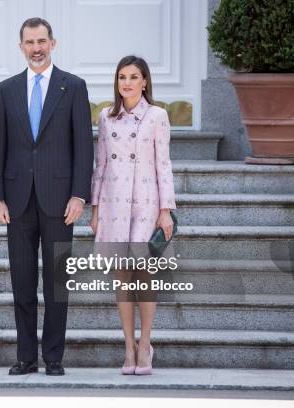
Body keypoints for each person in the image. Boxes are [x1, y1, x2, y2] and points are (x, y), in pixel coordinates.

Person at [0, 17, 94, 376]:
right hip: (17, 202)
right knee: (22, 283)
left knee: (57, 284)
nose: (36, 48)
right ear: (21, 47)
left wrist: (80, 194)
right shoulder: (6, 89)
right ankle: (26, 357)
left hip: (60, 201)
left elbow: (83, 146)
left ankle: (53, 358)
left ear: (53, 43)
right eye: (30, 42)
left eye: (42, 41)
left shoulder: (73, 87)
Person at [90, 55, 176, 375]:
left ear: (145, 81)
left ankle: (145, 344)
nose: (126, 82)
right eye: (121, 76)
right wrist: (96, 210)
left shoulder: (157, 116)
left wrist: (165, 211)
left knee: (144, 275)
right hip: (113, 206)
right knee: (122, 278)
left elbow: (163, 164)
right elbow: (101, 166)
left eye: (133, 76)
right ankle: (128, 345)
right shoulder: (106, 117)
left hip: (146, 205)